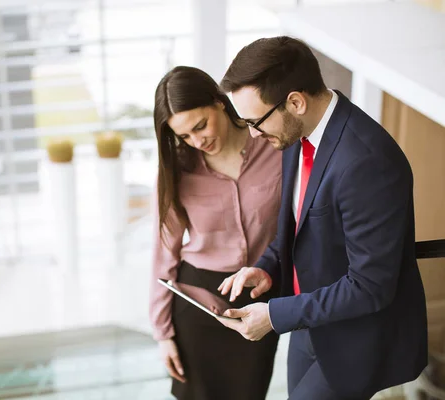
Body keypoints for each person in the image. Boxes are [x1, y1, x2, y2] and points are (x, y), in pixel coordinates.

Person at [216, 36, 428, 400]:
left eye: (256, 122)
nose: (252, 134)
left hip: (353, 341)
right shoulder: (292, 136)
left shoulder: (366, 161)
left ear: (296, 102)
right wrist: (268, 265)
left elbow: (370, 287)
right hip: (307, 325)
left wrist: (275, 316)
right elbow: (303, 227)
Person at [149, 65, 282, 400]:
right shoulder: (177, 169)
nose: (198, 141)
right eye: (184, 136)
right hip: (197, 300)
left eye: (200, 126)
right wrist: (163, 334)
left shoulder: (274, 146)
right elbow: (163, 253)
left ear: (219, 102)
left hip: (259, 295)